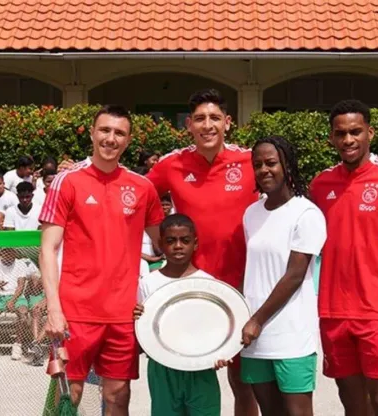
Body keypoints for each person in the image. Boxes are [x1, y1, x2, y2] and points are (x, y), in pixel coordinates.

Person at [39, 105, 164, 414]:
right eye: (105, 130)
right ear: (93, 133)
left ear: (128, 140)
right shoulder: (67, 182)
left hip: (123, 314)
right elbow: (47, 250)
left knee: (118, 397)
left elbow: (169, 246)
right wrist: (54, 309)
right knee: (69, 394)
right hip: (75, 312)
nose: (111, 138)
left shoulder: (143, 187)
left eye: (119, 133)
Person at [145, 89, 260, 416]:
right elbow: (137, 195)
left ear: (227, 123)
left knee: (243, 383)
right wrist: (159, 240)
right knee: (190, 374)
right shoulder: (172, 164)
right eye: (199, 119)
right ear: (189, 126)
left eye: (213, 118)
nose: (207, 125)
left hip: (242, 288)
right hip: (190, 289)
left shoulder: (249, 160)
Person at [309, 100, 378, 416]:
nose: (348, 140)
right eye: (341, 134)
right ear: (331, 138)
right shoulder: (321, 184)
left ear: (370, 133)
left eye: (355, 132)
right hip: (334, 312)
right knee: (351, 401)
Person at [239, 136, 327, 416]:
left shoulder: (307, 213)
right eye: (258, 164)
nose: (264, 169)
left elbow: (294, 275)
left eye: (271, 163)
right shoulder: (251, 213)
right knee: (270, 412)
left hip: (291, 336)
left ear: (287, 165)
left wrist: (256, 320)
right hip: (255, 338)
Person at [134, 214, 229, 416]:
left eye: (185, 240)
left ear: (195, 244)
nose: (178, 246)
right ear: (160, 244)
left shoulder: (208, 283)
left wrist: (222, 352)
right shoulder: (148, 283)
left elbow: (218, 327)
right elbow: (142, 334)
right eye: (171, 241)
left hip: (201, 367)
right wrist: (136, 320)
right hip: (162, 368)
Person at [0, 248, 32, 363]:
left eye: (11, 251)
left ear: (15, 252)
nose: (8, 254)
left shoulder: (21, 264)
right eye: (5, 252)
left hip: (16, 296)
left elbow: (21, 286)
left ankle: (17, 345)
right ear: (1, 253)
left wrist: (12, 300)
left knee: (23, 313)